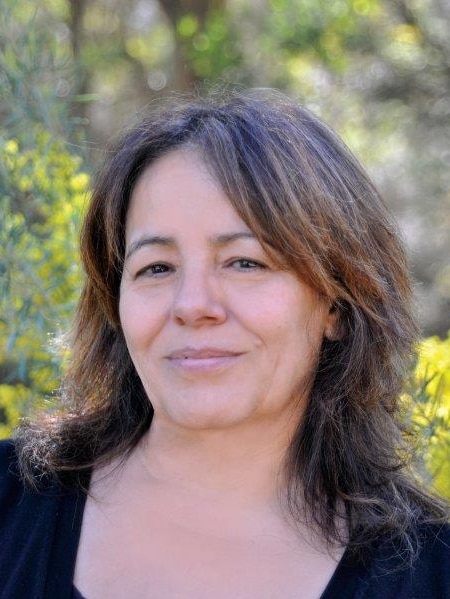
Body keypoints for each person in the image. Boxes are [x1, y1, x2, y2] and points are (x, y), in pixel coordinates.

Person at [0, 89, 449, 599]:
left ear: (338, 305)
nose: (192, 304)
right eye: (157, 268)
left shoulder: (431, 575)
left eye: (245, 263)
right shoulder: (9, 507)